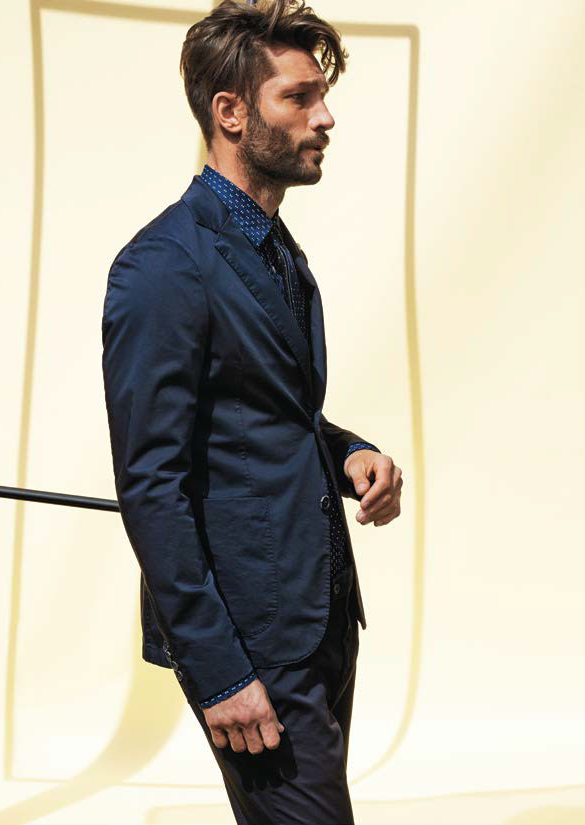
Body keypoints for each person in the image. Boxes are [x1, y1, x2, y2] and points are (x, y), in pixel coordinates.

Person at [101, 0, 403, 821]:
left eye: (321, 95)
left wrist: (348, 452)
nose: (324, 117)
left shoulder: (273, 246)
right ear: (230, 113)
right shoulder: (162, 266)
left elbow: (265, 412)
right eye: (298, 97)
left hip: (319, 615)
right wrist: (220, 672)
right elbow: (150, 482)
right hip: (250, 640)